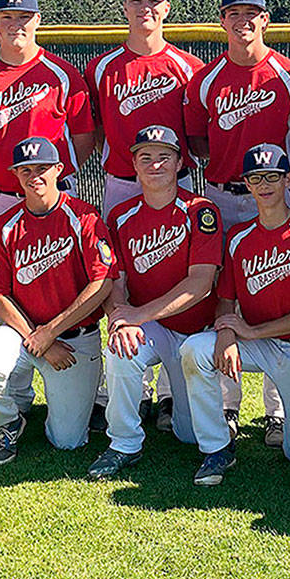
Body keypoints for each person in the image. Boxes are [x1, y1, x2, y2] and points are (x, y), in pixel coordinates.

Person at [184, 0, 290, 437]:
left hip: (275, 194)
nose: (244, 21)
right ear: (222, 21)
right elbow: (197, 141)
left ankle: (277, 408)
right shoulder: (206, 79)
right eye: (234, 13)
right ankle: (228, 402)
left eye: (252, 13)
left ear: (266, 20)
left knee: (280, 287)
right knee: (223, 292)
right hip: (221, 195)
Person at [84, 0, 203, 428]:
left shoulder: (189, 68)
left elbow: (197, 136)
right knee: (114, 277)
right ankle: (112, 385)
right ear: (125, 6)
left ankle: (173, 390)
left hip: (177, 182)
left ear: (167, 8)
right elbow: (92, 132)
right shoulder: (103, 67)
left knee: (173, 273)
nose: (145, 7)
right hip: (121, 183)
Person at [180, 144, 290, 476]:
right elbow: (225, 298)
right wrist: (226, 332)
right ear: (246, 184)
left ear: (289, 179)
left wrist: (249, 331)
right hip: (259, 346)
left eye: (272, 177)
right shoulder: (237, 237)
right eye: (255, 178)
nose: (264, 185)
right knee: (195, 349)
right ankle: (217, 447)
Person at [87, 126, 224, 481]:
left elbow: (201, 284)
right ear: (133, 165)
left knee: (186, 433)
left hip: (197, 331)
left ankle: (213, 441)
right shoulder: (120, 215)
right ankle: (123, 444)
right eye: (145, 157)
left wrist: (138, 313)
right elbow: (114, 279)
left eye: (164, 156)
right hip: (154, 328)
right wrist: (120, 316)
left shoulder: (201, 211)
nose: (155, 164)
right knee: (121, 347)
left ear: (180, 163)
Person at [0, 137, 116, 463]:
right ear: (16, 175)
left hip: (76, 341)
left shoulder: (84, 217)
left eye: (42, 168)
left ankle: (81, 400)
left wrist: (52, 331)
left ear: (59, 170)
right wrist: (41, 339)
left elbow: (102, 283)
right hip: (25, 335)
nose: (35, 176)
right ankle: (7, 422)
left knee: (67, 442)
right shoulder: (5, 226)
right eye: (26, 170)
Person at [0, 0, 95, 241]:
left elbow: (84, 137)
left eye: (24, 16)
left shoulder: (63, 74)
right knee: (0, 277)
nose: (15, 24)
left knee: (63, 275)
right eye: (6, 16)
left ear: (37, 20)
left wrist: (53, 176)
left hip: (55, 193)